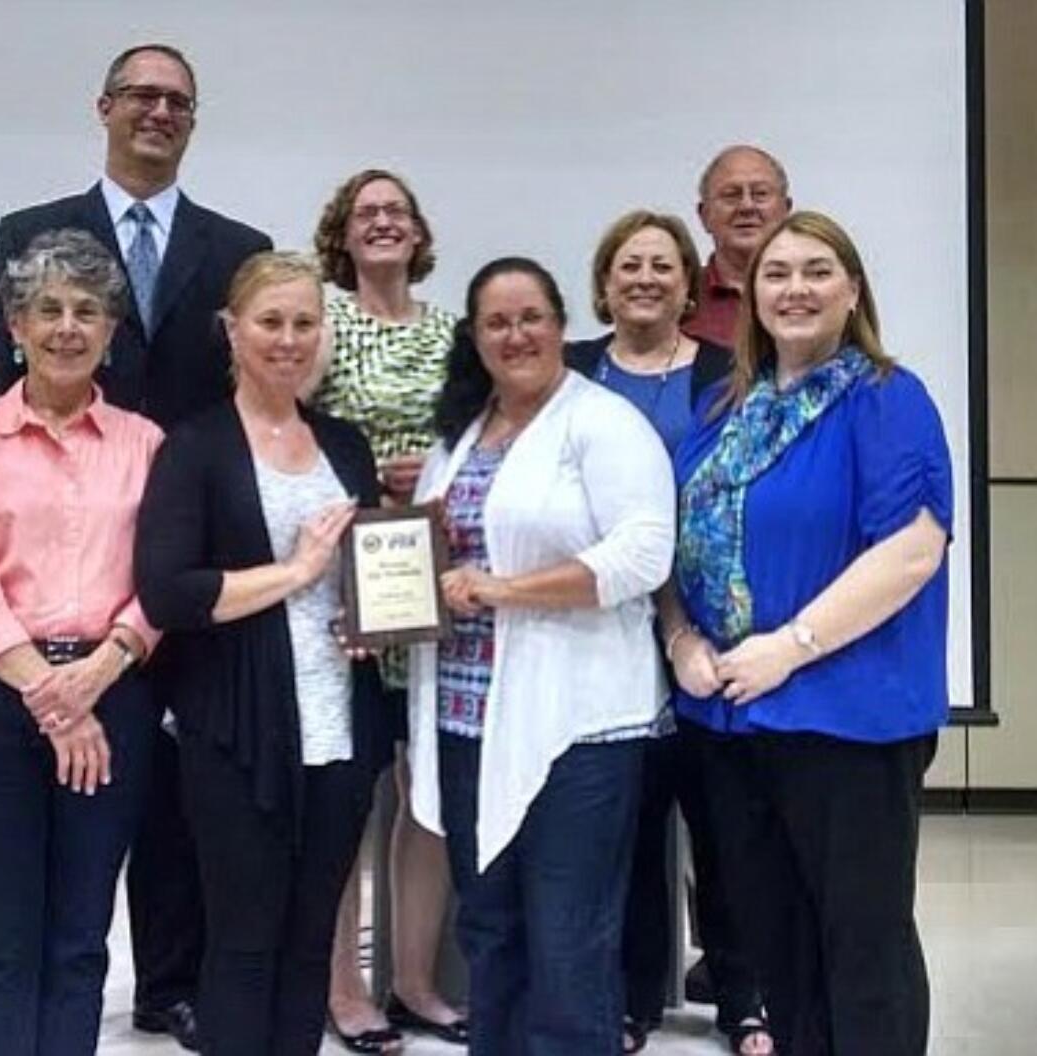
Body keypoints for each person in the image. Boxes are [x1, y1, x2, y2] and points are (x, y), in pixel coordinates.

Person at [0, 43, 271, 1053]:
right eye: (140, 94)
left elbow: (251, 404)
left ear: (194, 119)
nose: (157, 110)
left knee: (179, 791)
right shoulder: (30, 234)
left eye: (177, 100)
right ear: (103, 107)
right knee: (28, 838)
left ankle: (170, 983)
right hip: (59, 545)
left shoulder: (238, 246)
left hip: (180, 561)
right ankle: (9, 1017)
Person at [663, 211, 952, 1055]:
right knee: (777, 948)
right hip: (732, 722)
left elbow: (912, 549)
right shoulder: (729, 411)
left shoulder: (886, 398)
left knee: (862, 947)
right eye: (777, 274)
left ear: (852, 290)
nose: (795, 289)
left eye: (817, 271)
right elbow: (675, 551)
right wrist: (682, 639)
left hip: (847, 720)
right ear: (751, 296)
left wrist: (789, 647)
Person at [408, 257, 676, 1055]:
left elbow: (643, 555)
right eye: (497, 321)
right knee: (489, 933)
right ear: (476, 337)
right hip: (465, 720)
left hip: (577, 731)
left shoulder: (604, 422)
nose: (516, 334)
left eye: (532, 316)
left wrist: (504, 590)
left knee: (570, 945)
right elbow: (424, 562)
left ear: (562, 325)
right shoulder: (459, 436)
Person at [134, 252, 396, 1055]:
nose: (288, 340)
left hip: (341, 731)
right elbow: (169, 594)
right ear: (232, 331)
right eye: (270, 322)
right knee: (244, 943)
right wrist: (295, 573)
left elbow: (370, 573)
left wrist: (373, 617)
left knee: (310, 941)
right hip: (236, 733)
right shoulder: (196, 447)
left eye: (305, 323)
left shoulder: (345, 447)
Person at [0, 229, 163, 1056]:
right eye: (48, 310)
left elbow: (161, 585)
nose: (68, 327)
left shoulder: (145, 443)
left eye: (88, 311)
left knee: (78, 934)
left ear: (109, 332)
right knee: (0, 935)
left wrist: (95, 675)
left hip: (115, 699)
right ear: (15, 327)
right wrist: (53, 699)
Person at [568, 210, 771, 1055]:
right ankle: (633, 995)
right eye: (628, 265)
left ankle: (744, 995)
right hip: (601, 631)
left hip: (710, 630)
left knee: (725, 817)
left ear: (690, 285)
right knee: (627, 818)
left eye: (662, 265)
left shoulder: (732, 371)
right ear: (604, 283)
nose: (645, 278)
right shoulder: (572, 372)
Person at [311, 168, 465, 1052]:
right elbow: (291, 432)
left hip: (433, 580)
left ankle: (411, 979)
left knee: (426, 791)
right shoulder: (321, 323)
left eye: (396, 211)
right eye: (366, 213)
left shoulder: (452, 332)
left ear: (417, 230)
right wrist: (364, 480)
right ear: (343, 230)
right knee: (349, 794)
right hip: (345, 582)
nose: (382, 223)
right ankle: (343, 989)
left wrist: (433, 473)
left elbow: (481, 432)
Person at [685, 145, 792, 349]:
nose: (746, 206)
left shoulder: (813, 294)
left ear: (786, 210)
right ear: (704, 215)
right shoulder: (679, 297)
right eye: (731, 195)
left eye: (760, 194)